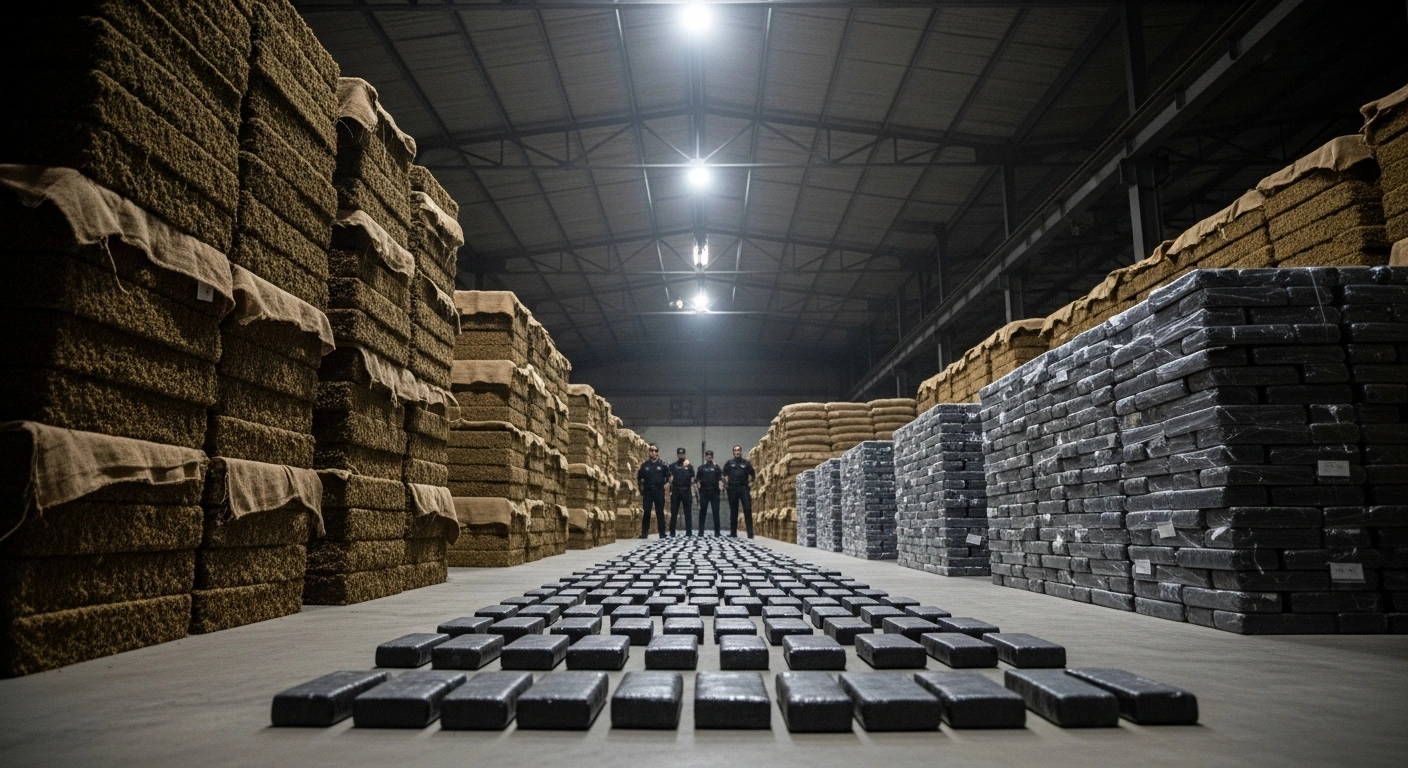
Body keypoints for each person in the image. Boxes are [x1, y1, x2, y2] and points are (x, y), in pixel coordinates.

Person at [723, 444, 756, 538]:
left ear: (741, 452)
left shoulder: (746, 463)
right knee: (733, 511)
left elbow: (753, 474)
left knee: (747, 509)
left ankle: (750, 533)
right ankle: (733, 533)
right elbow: (723, 474)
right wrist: (725, 483)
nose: (737, 452)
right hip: (732, 489)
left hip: (744, 488)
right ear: (733, 452)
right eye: (735, 450)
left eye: (738, 450)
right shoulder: (729, 463)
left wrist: (751, 483)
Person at [636, 445, 668, 538]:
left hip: (658, 491)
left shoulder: (662, 465)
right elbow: (639, 478)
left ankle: (662, 533)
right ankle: (644, 533)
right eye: (651, 450)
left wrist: (665, 483)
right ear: (649, 452)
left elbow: (669, 476)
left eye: (655, 450)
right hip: (648, 491)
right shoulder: (645, 465)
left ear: (658, 452)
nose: (653, 452)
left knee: (660, 512)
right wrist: (641, 489)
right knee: (646, 512)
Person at [667, 447, 695, 537]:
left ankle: (689, 532)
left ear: (685, 454)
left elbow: (693, 478)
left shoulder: (689, 466)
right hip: (676, 491)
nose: (681, 455)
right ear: (677, 454)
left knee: (688, 512)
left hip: (686, 491)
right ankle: (672, 532)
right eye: (679, 453)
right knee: (674, 512)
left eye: (682, 453)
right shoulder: (672, 466)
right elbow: (668, 477)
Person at [695, 449, 723, 536]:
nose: (709, 456)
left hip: (714, 492)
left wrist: (721, 486)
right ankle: (700, 532)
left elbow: (721, 478)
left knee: (716, 512)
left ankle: (717, 532)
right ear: (705, 457)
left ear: (712, 457)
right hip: (704, 492)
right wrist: (698, 485)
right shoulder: (701, 468)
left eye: (710, 455)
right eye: (707, 455)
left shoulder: (717, 468)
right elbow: (697, 479)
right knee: (702, 512)